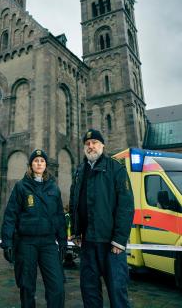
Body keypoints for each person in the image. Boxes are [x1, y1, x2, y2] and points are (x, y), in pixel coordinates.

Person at [69, 129, 134, 308]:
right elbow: (74, 202)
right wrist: (75, 231)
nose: (91, 146)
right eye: (87, 144)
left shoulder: (116, 168)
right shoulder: (80, 171)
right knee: (89, 292)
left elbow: (126, 205)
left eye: (95, 142)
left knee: (117, 292)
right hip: (87, 242)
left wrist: (119, 240)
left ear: (102, 145)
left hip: (110, 244)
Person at [1, 149, 67, 308]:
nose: (39, 163)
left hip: (48, 243)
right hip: (26, 243)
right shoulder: (21, 186)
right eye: (36, 161)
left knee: (57, 286)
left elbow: (59, 216)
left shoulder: (53, 187)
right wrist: (7, 242)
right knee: (27, 286)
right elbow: (11, 215)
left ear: (46, 165)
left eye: (42, 161)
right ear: (31, 164)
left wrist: (63, 241)